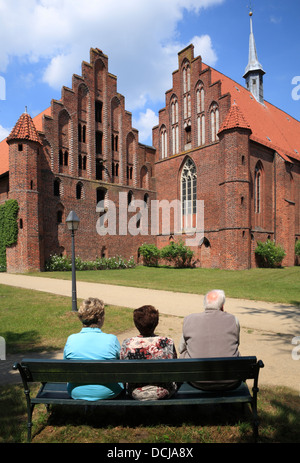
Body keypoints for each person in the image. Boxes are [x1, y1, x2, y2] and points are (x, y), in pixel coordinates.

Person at [179, 289, 241, 391]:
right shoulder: (233, 320)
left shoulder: (189, 319)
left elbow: (181, 348)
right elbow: (237, 343)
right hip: (230, 380)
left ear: (205, 305)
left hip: (197, 380)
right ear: (222, 306)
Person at [63, 297, 123, 401]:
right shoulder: (111, 340)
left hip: (76, 391)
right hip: (108, 391)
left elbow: (65, 367)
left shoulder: (71, 339)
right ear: (101, 318)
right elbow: (120, 366)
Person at [120, 305, 178, 400]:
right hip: (164, 390)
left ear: (136, 324)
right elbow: (175, 368)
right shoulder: (167, 342)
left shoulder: (128, 343)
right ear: (156, 323)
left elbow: (123, 372)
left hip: (135, 391)